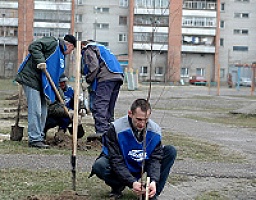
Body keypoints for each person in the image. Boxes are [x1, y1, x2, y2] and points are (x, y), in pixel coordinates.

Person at [90, 99, 177, 200]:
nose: (142, 124)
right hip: (123, 163)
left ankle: (151, 193)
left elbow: (155, 160)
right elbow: (116, 160)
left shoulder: (155, 130)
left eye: (146, 119)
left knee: (170, 151)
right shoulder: (116, 129)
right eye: (139, 119)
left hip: (143, 162)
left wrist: (153, 181)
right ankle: (118, 186)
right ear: (130, 114)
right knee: (100, 165)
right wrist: (132, 182)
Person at [15, 34, 77, 149]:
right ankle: (34, 139)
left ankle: (40, 137)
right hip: (31, 79)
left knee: (44, 111)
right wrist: (41, 61)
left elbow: (54, 80)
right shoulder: (53, 43)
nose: (70, 52)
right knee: (36, 110)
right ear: (69, 45)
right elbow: (34, 46)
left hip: (43, 84)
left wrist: (62, 99)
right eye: (72, 50)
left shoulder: (61, 58)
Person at [81, 40, 124, 138]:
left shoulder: (89, 48)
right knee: (109, 108)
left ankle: (102, 134)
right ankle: (110, 133)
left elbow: (94, 66)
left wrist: (88, 80)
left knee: (99, 105)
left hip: (106, 77)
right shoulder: (102, 48)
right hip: (117, 76)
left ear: (82, 45)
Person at [43, 74, 85, 139]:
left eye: (64, 82)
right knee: (48, 122)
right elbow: (50, 108)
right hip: (55, 115)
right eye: (60, 82)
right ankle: (42, 133)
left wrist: (82, 108)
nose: (62, 84)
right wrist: (66, 111)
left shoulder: (70, 90)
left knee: (70, 119)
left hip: (68, 116)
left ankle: (62, 131)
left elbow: (77, 101)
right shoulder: (51, 92)